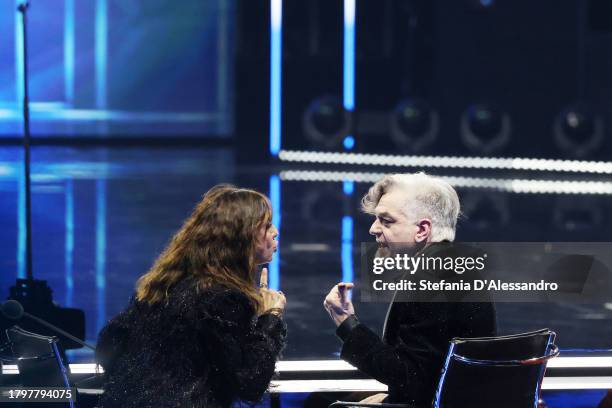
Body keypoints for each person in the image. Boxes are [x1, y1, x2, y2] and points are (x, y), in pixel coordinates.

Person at [95, 185, 287, 408]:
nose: (275, 231)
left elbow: (109, 344)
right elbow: (250, 383)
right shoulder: (223, 299)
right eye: (266, 226)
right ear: (242, 237)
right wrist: (270, 317)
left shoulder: (161, 286)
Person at [323, 173, 497, 406]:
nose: (373, 229)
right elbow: (427, 375)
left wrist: (347, 323)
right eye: (376, 219)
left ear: (422, 230)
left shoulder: (429, 277)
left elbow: (410, 378)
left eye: (387, 221)